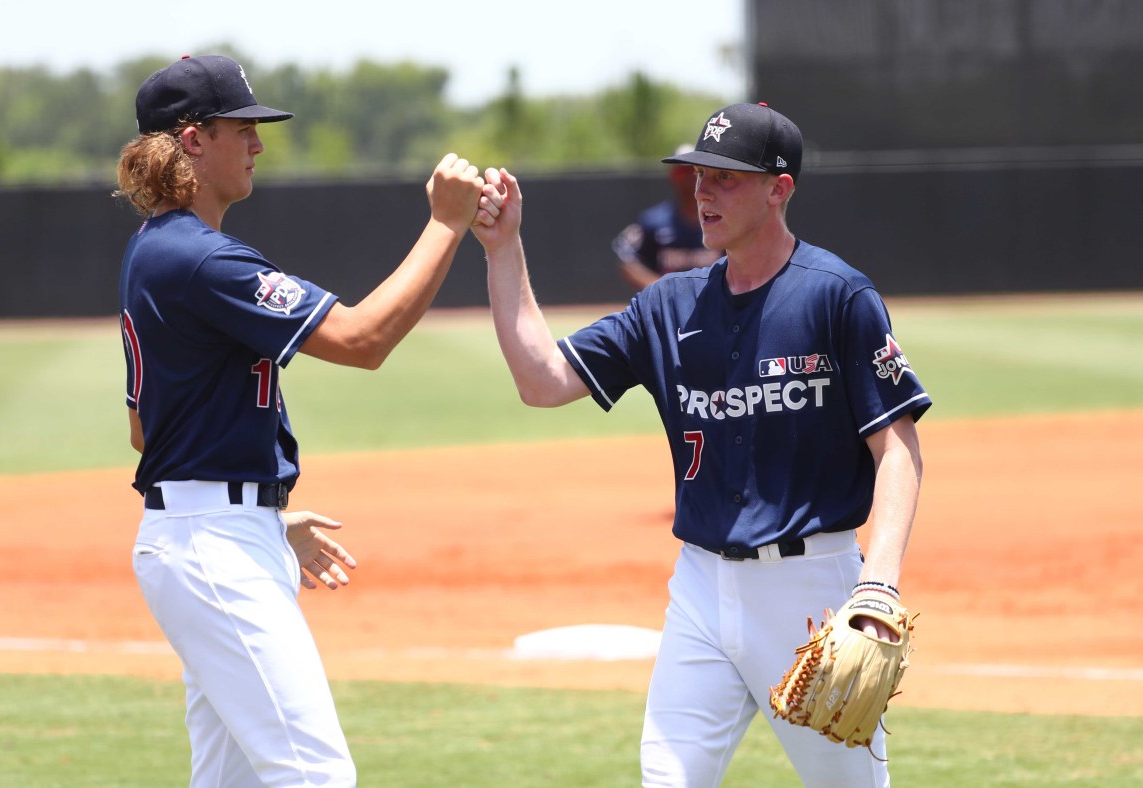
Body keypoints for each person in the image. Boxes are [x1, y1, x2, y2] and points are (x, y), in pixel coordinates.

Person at [474, 102, 929, 786]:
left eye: (726, 178)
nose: (703, 192)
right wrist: (503, 247)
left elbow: (897, 447)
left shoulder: (837, 296)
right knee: (667, 777)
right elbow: (543, 380)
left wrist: (878, 586)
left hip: (812, 591)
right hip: (699, 586)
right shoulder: (668, 305)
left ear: (780, 189)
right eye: (698, 176)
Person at [114, 54, 485, 787]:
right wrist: (447, 223)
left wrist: (257, 513)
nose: (257, 143)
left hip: (211, 536)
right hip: (212, 549)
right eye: (242, 128)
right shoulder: (199, 259)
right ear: (192, 141)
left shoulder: (154, 250)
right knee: (315, 775)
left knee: (234, 780)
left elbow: (145, 432)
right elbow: (361, 339)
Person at [611, 144, 722, 291]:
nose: (690, 177)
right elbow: (624, 254)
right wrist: (661, 291)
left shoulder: (722, 219)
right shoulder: (654, 221)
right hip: (670, 308)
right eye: (682, 171)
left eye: (695, 171)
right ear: (674, 175)